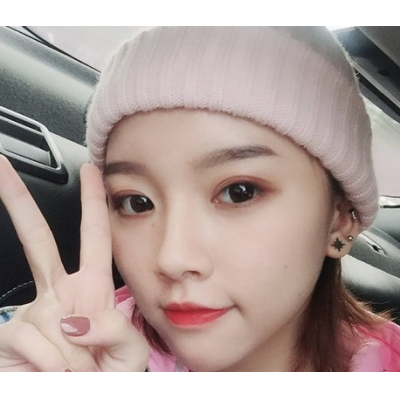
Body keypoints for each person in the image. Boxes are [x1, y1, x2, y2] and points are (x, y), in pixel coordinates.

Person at [0, 26, 399, 372]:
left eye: (239, 192)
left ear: (339, 217)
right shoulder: (67, 351)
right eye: (136, 202)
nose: (172, 259)